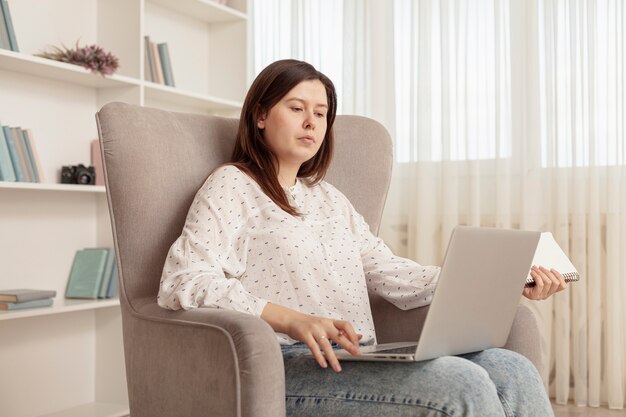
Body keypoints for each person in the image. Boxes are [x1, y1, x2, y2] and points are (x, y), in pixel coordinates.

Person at [158, 59, 567, 417]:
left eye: (321, 113)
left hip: (363, 356)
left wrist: (503, 279)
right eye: (297, 108)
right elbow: (184, 280)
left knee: (511, 368)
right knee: (461, 383)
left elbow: (391, 273)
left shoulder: (329, 199)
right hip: (286, 363)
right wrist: (291, 318)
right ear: (261, 116)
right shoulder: (232, 185)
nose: (311, 123)